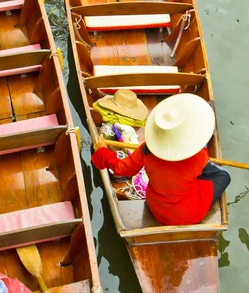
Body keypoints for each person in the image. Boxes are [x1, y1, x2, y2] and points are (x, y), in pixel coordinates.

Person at [92, 92, 230, 226]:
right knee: (224, 175)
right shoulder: (199, 154)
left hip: (157, 209)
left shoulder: (147, 149)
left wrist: (102, 150)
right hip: (190, 214)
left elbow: (121, 169)